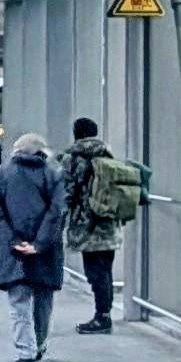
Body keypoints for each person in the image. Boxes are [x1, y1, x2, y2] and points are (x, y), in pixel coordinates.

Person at [59, 115, 142, 333]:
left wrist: (58, 222)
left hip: (87, 225)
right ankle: (103, 314)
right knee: (104, 270)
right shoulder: (107, 154)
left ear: (76, 133)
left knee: (95, 272)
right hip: (109, 222)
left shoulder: (74, 157)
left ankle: (102, 318)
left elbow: (67, 192)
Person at [0, 131, 65, 361]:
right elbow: (57, 213)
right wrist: (39, 244)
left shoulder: (0, 173)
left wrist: (15, 241)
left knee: (19, 301)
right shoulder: (53, 174)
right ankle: (40, 344)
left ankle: (25, 350)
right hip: (46, 250)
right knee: (43, 300)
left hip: (13, 250)